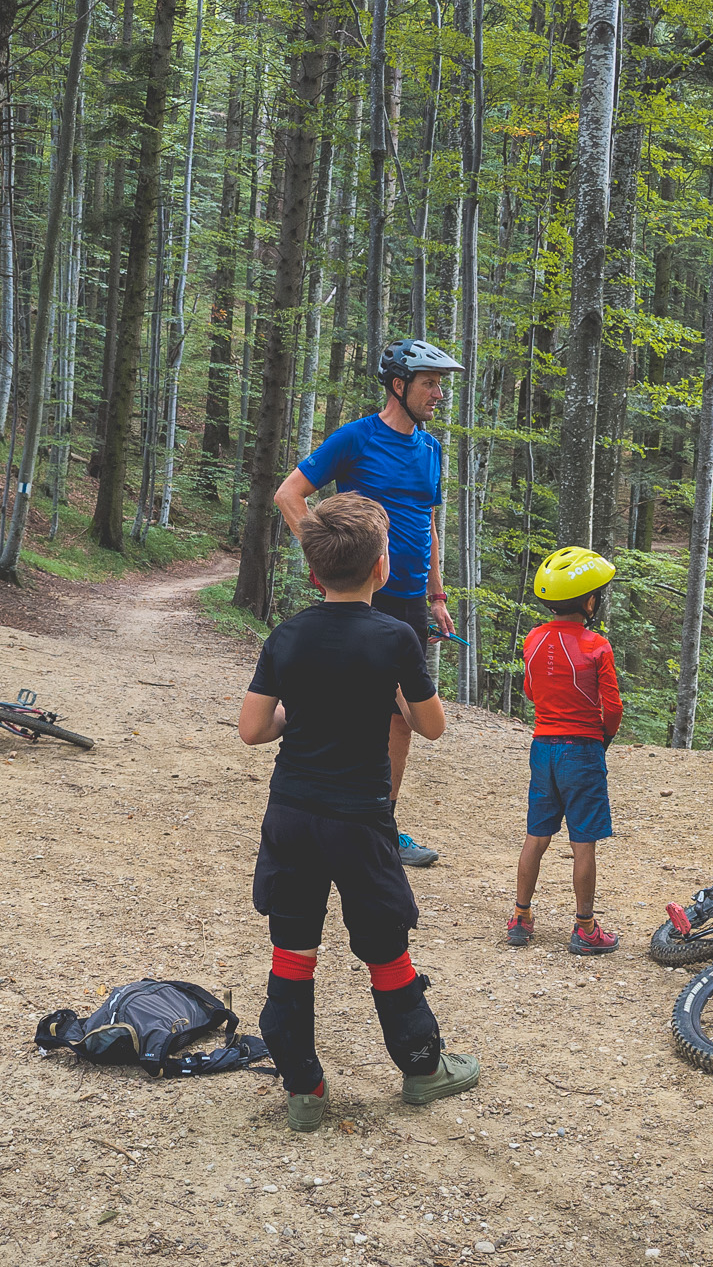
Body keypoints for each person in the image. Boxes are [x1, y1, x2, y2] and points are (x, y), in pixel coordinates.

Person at [239, 492, 481, 1132]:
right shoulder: (396, 637)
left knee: (292, 948)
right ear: (382, 568)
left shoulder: (286, 634)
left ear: (314, 573)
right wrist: (390, 702)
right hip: (360, 817)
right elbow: (431, 727)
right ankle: (423, 1068)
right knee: (382, 943)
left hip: (291, 812)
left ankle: (303, 1088)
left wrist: (304, 713)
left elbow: (254, 729)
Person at [273, 337, 465, 869]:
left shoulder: (430, 448)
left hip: (407, 602)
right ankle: (321, 813)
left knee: (400, 718)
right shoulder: (356, 438)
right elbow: (289, 494)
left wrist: (436, 595)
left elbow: (426, 523)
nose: (439, 393)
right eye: (430, 383)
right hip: (361, 598)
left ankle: (383, 822)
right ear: (399, 386)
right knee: (346, 706)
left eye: (440, 383)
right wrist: (325, 560)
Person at [508, 547, 624, 955]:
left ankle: (521, 917)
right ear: (590, 601)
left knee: (536, 836)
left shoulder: (534, 638)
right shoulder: (598, 645)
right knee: (583, 843)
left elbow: (530, 690)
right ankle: (585, 928)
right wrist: (603, 737)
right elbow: (612, 707)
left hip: (543, 747)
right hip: (582, 750)